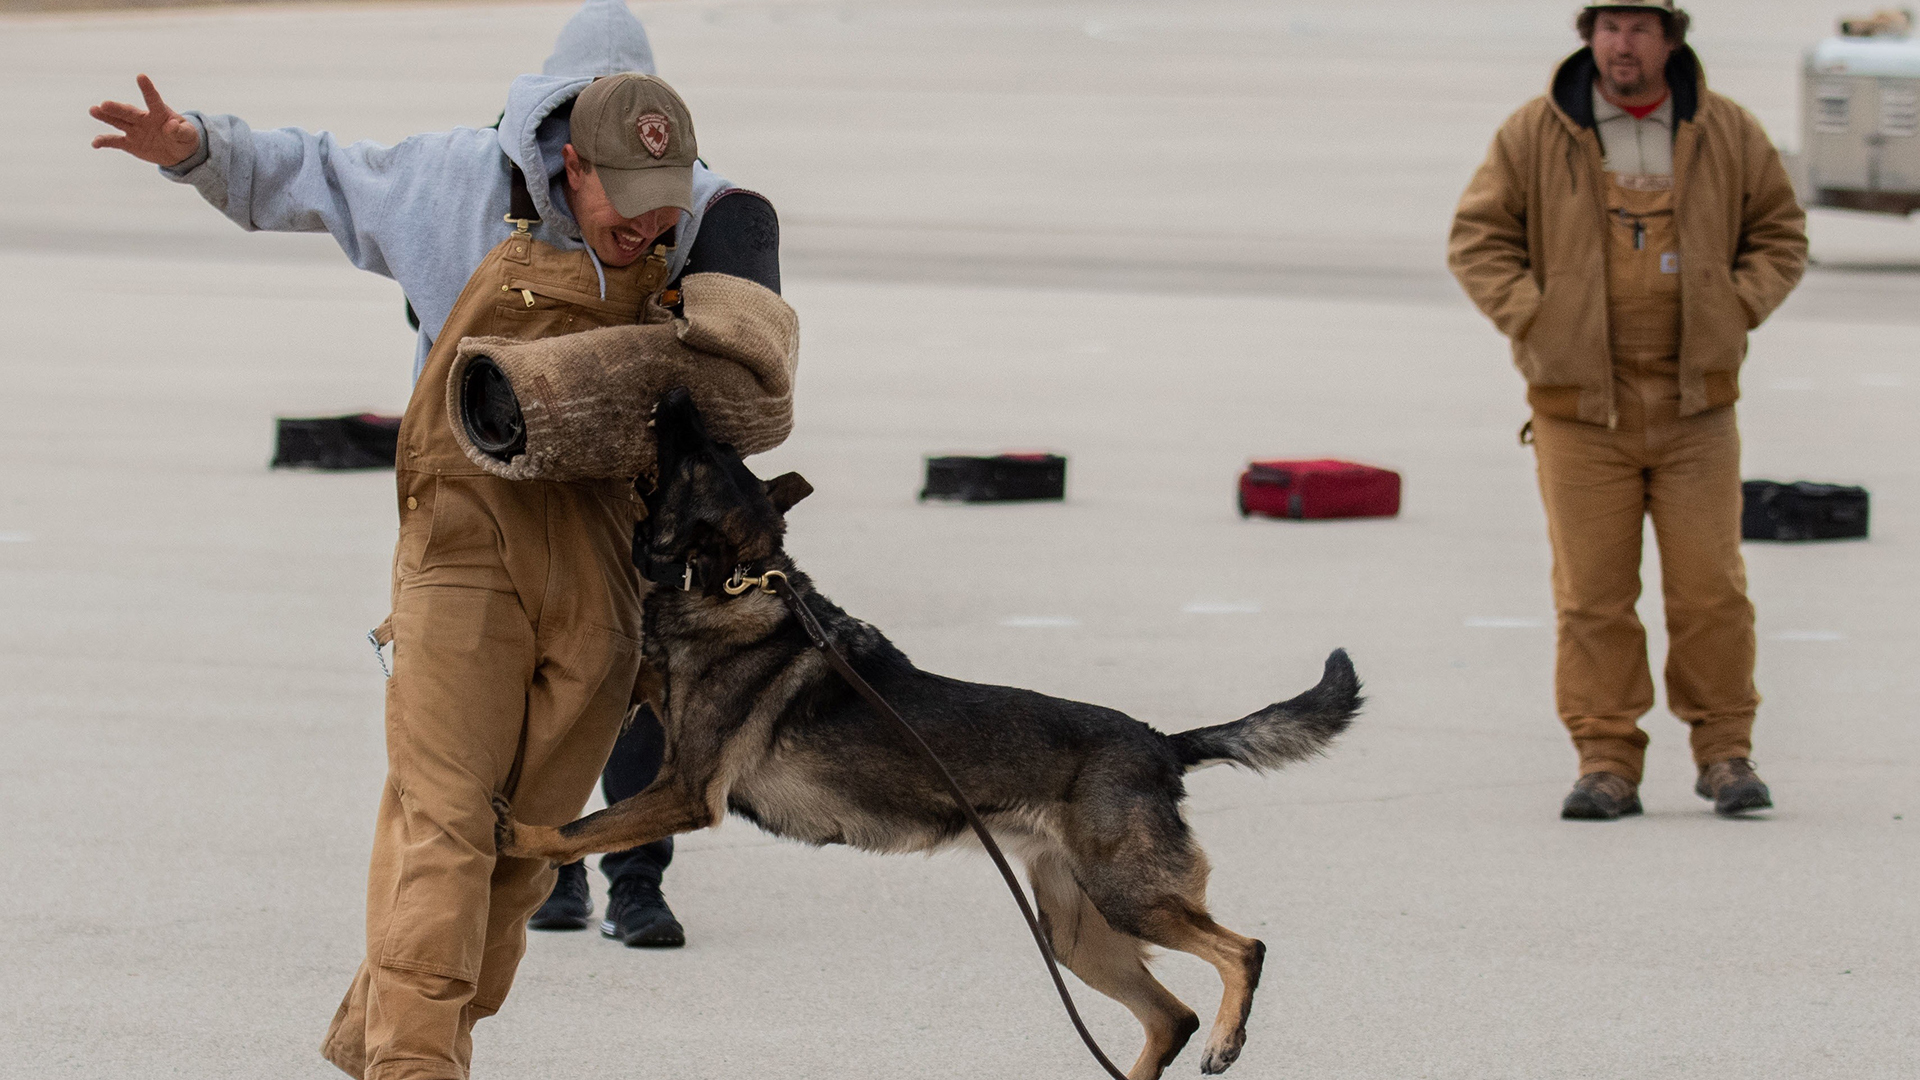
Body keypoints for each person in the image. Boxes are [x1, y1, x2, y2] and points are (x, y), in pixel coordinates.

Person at [89, 2, 786, 1076]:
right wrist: (197, 149)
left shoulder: (705, 209)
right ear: (570, 160)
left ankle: (397, 1044)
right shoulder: (450, 184)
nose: (650, 229)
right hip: (462, 542)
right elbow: (316, 171)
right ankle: (417, 1064)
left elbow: (750, 392)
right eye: (628, 207)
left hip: (603, 557)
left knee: (524, 856)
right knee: (445, 821)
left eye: (667, 207)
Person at [1448, 0, 1806, 821]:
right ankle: (1606, 760)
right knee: (1592, 596)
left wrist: (1733, 306)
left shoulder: (1728, 131)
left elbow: (1780, 234)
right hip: (1580, 415)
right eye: (1609, 27)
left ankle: (1725, 753)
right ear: (1589, 37)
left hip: (1696, 412)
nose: (1623, 44)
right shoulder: (1535, 133)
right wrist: (1537, 319)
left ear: (1671, 39)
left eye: (1640, 28)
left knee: (1711, 589)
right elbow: (1477, 239)